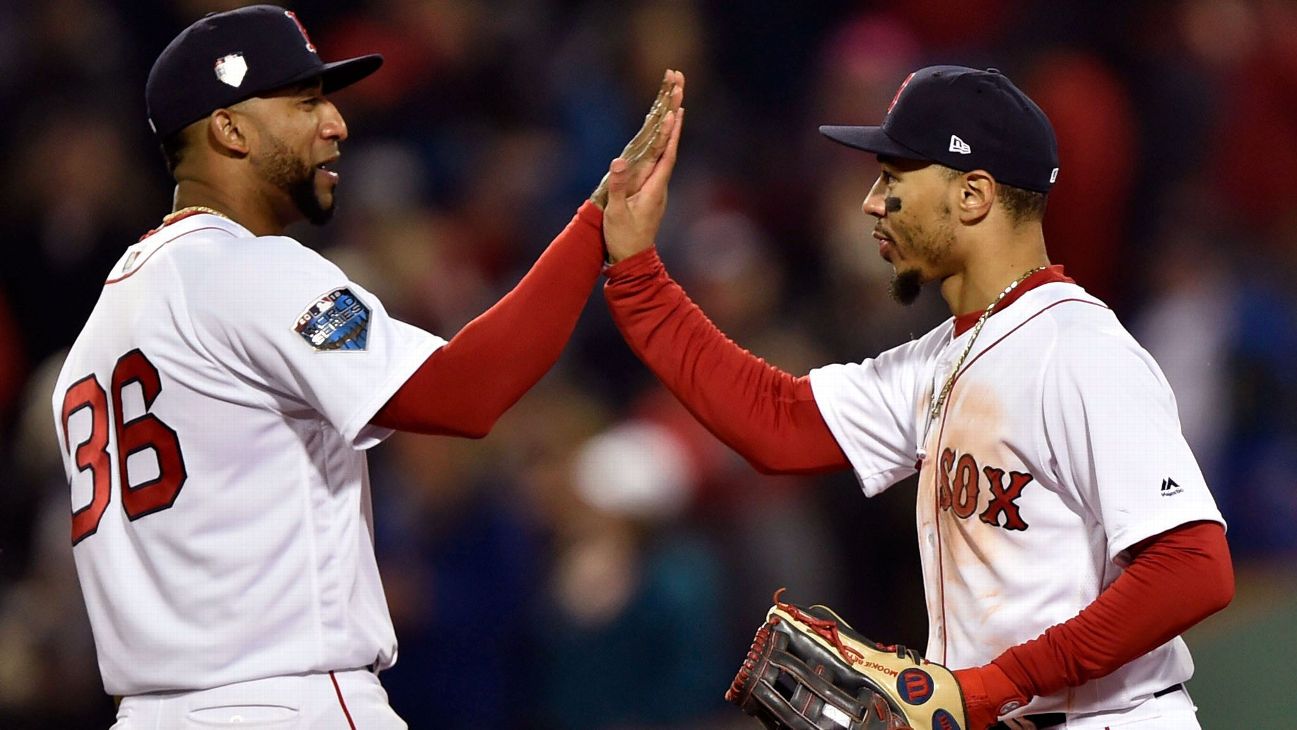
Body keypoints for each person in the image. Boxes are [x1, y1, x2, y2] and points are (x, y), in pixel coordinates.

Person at [50, 5, 682, 728]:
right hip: (288, 702)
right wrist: (594, 227)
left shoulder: (94, 341)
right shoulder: (247, 270)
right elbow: (461, 395)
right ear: (229, 128)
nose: (336, 124)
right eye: (305, 102)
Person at [599, 65, 1233, 729]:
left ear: (972, 196)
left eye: (895, 178)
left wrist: (994, 686)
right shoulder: (941, 359)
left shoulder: (1076, 350)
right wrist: (637, 272)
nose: (872, 201)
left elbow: (1192, 565)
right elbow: (778, 423)